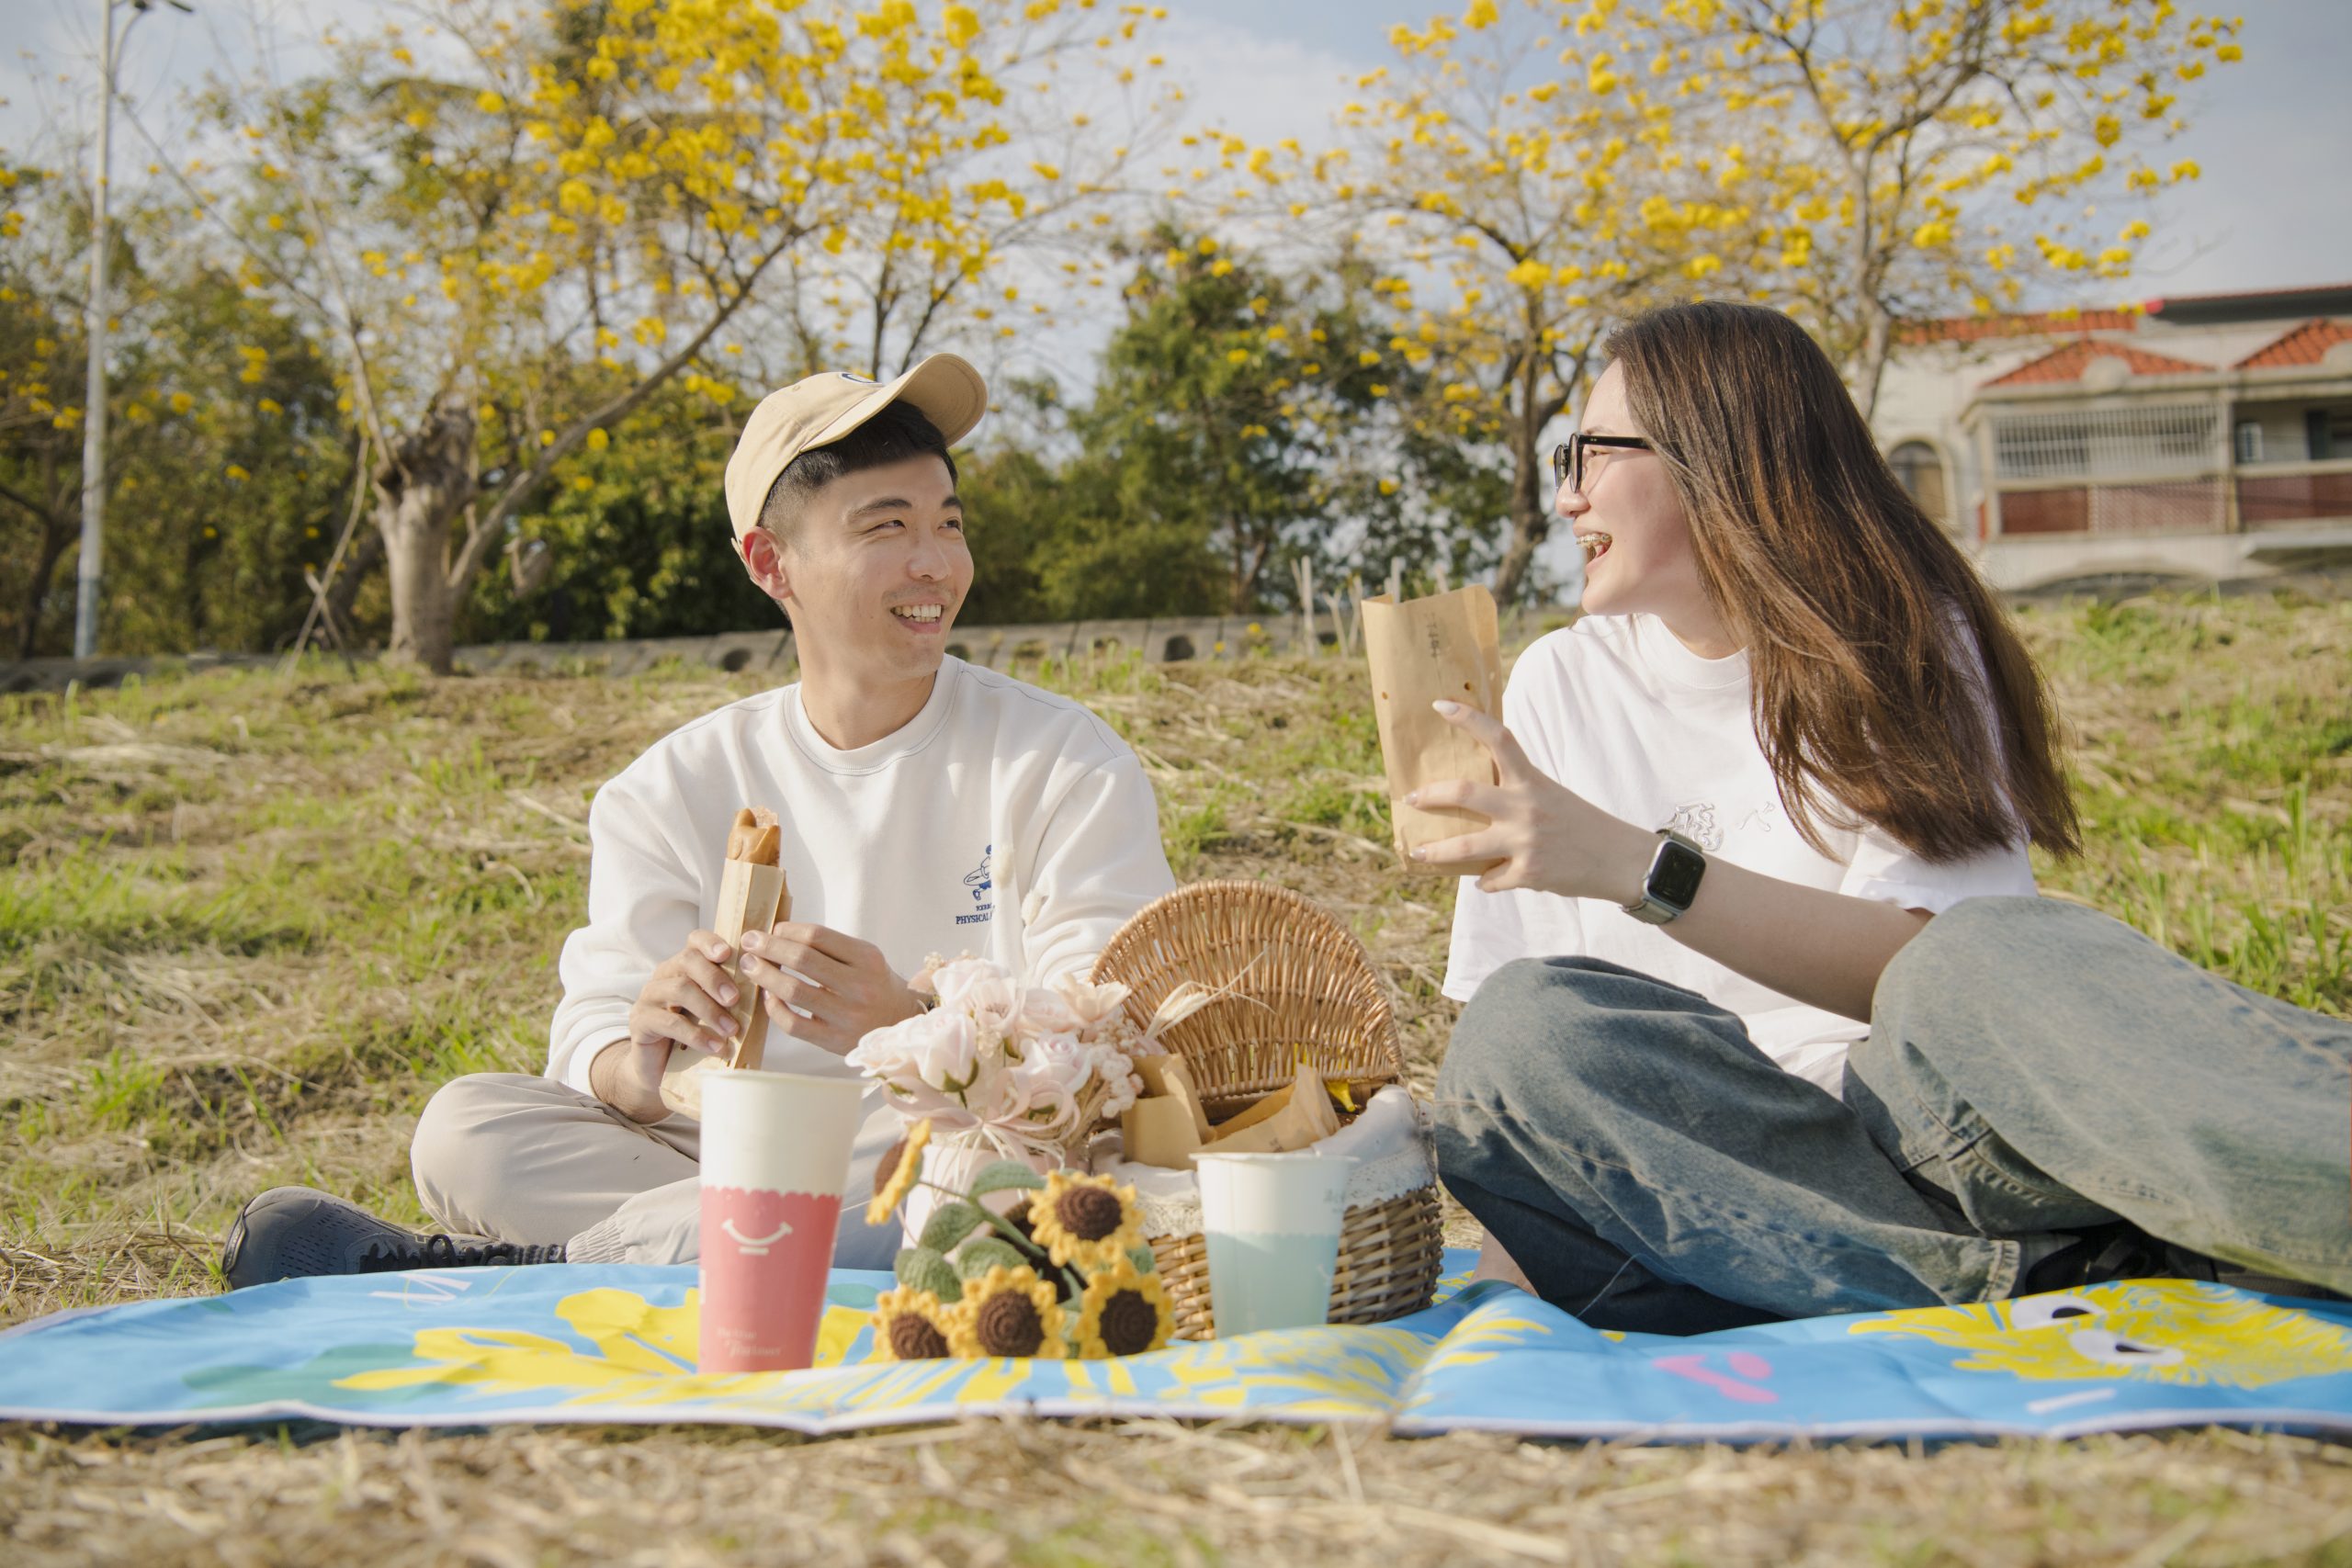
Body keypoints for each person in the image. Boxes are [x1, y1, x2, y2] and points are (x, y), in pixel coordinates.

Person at [1421, 300, 2350, 1336]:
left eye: (1591, 454)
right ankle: (2066, 1272)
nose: (1567, 497)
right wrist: (1508, 1301)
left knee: (1977, 959)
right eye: (1565, 459)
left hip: (1942, 1131)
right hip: (1726, 1182)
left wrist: (1643, 869)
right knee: (1519, 1033)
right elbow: (1524, 1069)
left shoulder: (1901, 640)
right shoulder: (1558, 682)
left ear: (1717, 459)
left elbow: (1939, 975)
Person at [220, 355, 1177, 1286]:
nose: (934, 563)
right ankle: (728, 1246)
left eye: (948, 523)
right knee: (467, 1131)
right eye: (886, 527)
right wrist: (643, 1061)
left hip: (942, 1140)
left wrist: (913, 1020)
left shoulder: (1059, 759)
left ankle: (542, 1269)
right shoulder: (673, 784)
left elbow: (1112, 1041)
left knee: (1034, 1168)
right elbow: (590, 1032)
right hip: (720, 1147)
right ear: (772, 564)